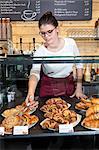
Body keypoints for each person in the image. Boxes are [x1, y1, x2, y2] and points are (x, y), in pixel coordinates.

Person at [25, 11, 87, 110]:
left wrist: (79, 89)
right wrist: (30, 93)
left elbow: (79, 65)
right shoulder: (40, 51)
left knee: (69, 114)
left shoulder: (70, 43)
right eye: (43, 33)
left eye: (50, 31)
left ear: (57, 29)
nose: (46, 36)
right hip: (48, 86)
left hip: (68, 84)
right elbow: (35, 73)